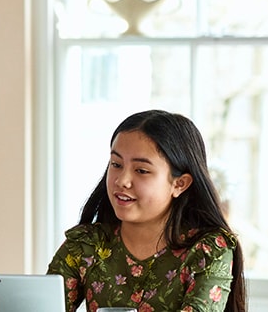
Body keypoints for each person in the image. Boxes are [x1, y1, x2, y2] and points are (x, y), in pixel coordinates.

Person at [47, 110, 247, 312]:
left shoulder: (207, 250)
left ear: (179, 184)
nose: (121, 180)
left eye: (141, 170)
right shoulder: (86, 244)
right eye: (116, 164)